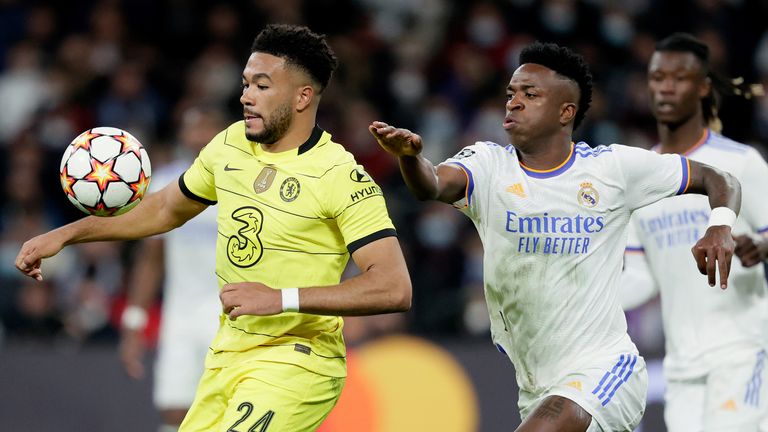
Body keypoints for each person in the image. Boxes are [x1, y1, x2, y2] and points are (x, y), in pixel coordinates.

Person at [16, 23, 412, 431]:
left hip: (295, 362)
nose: (246, 96)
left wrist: (280, 299)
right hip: (227, 353)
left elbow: (393, 287)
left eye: (262, 86)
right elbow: (165, 208)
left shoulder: (340, 176)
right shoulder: (231, 144)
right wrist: (65, 235)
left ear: (302, 96)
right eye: (245, 84)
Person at [369, 41, 741, 432]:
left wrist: (720, 225)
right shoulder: (488, 165)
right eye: (511, 93)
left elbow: (719, 178)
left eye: (530, 95)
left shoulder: (612, 169)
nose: (514, 103)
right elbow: (431, 185)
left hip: (605, 370)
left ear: (566, 111)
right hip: (536, 388)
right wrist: (410, 158)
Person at [619, 32, 768, 431]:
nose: (665, 87)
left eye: (679, 78)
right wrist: (577, 297)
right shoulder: (640, 176)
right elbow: (641, 276)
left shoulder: (741, 162)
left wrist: (762, 244)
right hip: (682, 364)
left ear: (703, 87)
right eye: (657, 78)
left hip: (742, 349)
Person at [118, 106, 226, 432]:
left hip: (231, 315)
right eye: (192, 127)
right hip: (180, 315)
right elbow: (151, 259)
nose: (199, 135)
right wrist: (134, 322)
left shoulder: (244, 185)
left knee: (228, 410)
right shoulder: (165, 184)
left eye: (207, 126)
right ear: (183, 134)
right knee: (173, 409)